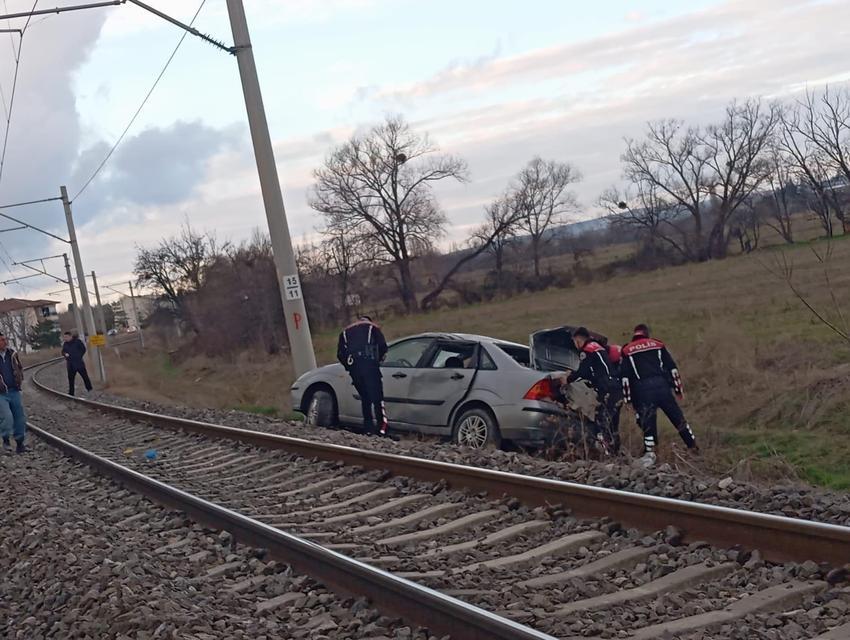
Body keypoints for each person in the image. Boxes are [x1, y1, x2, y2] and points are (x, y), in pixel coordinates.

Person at [621, 323, 697, 467]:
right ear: (646, 333)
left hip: (642, 390)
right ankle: (692, 446)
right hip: (662, 387)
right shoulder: (657, 344)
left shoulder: (627, 350)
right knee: (678, 418)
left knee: (648, 424)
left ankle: (651, 452)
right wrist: (678, 390)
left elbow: (625, 379)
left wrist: (628, 401)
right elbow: (673, 369)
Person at [565, 327, 622, 455]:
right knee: (613, 423)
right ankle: (615, 452)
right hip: (616, 387)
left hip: (606, 388)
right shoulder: (598, 347)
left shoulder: (587, 350)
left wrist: (568, 379)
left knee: (601, 421)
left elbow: (583, 371)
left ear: (578, 340)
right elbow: (593, 372)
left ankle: (607, 453)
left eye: (575, 342)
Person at [337, 316, 388, 435]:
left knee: (365, 399)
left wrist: (349, 367)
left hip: (355, 368)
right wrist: (377, 360)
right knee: (377, 398)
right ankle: (382, 428)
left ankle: (368, 429)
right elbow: (383, 347)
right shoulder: (372, 327)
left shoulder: (345, 332)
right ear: (369, 320)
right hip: (370, 365)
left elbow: (340, 354)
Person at [0, 333, 27, 454]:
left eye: (4, 339)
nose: (4, 342)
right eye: (1, 340)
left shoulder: (12, 354)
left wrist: (20, 378)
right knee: (7, 417)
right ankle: (5, 440)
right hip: (1, 393)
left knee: (19, 417)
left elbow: (19, 367)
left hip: (14, 390)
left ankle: (20, 443)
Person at [62, 331, 93, 396]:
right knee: (71, 379)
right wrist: (65, 354)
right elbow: (63, 351)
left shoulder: (77, 342)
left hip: (79, 363)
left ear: (70, 336)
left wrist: (79, 356)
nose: (65, 338)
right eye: (64, 337)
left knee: (85, 376)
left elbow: (83, 349)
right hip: (70, 364)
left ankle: (89, 389)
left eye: (66, 337)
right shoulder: (65, 344)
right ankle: (71, 393)